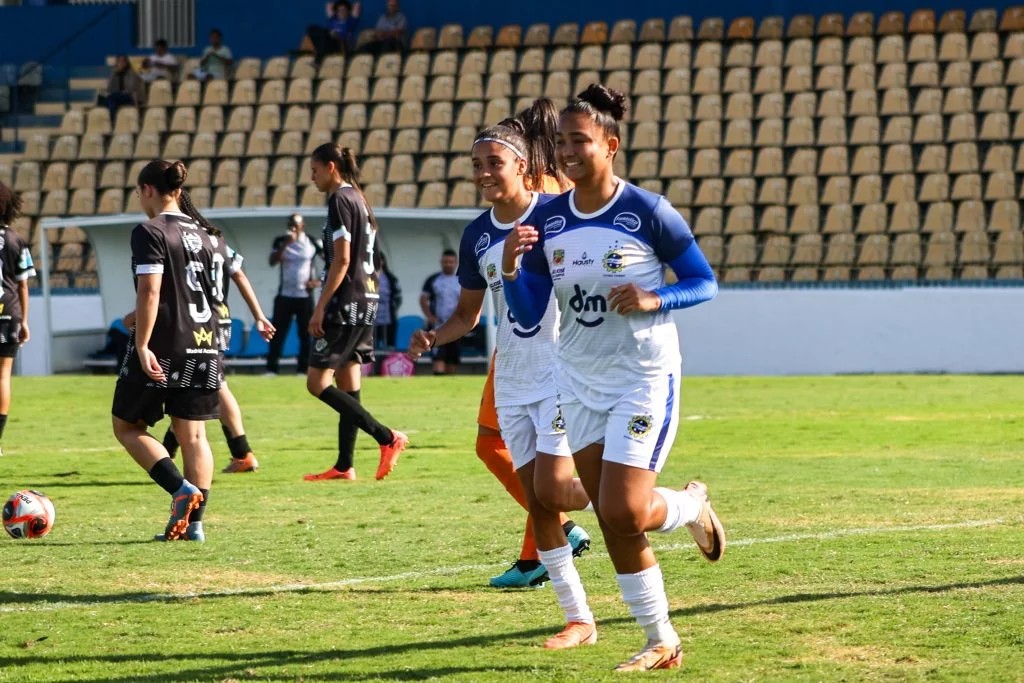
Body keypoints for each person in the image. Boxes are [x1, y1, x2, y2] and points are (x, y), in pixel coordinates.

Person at [501, 84, 726, 671]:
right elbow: (528, 313)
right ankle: (662, 642)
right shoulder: (547, 218)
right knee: (610, 514)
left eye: (580, 140)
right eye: (561, 142)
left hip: (641, 377)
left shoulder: (649, 211)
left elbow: (704, 281)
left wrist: (658, 297)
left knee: (624, 511)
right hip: (577, 380)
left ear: (610, 145)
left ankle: (686, 511)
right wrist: (510, 268)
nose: (568, 151)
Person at [409, 111, 596, 611]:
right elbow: (468, 316)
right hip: (513, 378)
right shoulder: (475, 235)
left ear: (520, 165)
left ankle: (655, 503)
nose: (484, 172)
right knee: (539, 500)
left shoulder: (559, 213)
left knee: (554, 493)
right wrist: (434, 337)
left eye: (494, 162)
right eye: (476, 165)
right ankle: (575, 616)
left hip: (560, 371)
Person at [111, 160, 221, 542]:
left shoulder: (150, 230)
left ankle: (180, 489)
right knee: (194, 436)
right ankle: (195, 526)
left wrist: (141, 342)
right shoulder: (207, 234)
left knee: (126, 426)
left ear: (147, 190)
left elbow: (152, 290)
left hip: (165, 343)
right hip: (206, 343)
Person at [151, 190, 276, 477]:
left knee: (214, 386)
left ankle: (242, 451)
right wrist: (258, 315)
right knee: (197, 384)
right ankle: (169, 450)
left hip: (202, 321)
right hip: (219, 319)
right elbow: (239, 273)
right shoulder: (212, 237)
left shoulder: (189, 238)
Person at [303, 143, 408, 482]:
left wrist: (320, 307)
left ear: (331, 167)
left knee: (317, 383)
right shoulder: (360, 199)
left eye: (315, 170)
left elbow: (342, 259)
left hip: (346, 300)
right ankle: (345, 465)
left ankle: (386, 437)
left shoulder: (340, 200)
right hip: (368, 298)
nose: (312, 177)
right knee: (348, 381)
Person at [0, 182, 35, 458]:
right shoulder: (16, 240)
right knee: (3, 375)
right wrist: (24, 321)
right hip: (8, 312)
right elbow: (23, 285)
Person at [266, 213, 321, 375]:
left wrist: (317, 282)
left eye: (295, 225)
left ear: (302, 225)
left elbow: (331, 264)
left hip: (304, 296)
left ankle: (303, 369)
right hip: (285, 295)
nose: (292, 228)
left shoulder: (312, 242)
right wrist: (287, 244)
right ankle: (272, 368)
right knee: (278, 333)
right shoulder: (281, 241)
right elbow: (272, 261)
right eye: (290, 225)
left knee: (305, 334)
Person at [419, 249, 461, 374]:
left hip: (455, 327)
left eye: (451, 262)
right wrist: (430, 316)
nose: (448, 264)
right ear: (441, 262)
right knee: (438, 358)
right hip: (437, 328)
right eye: (445, 262)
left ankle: (451, 386)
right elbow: (423, 299)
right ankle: (438, 380)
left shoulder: (461, 280)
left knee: (452, 361)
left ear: (456, 263)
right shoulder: (433, 280)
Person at [374, 251, 401, 349]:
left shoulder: (391, 278)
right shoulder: (367, 276)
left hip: (387, 312)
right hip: (372, 311)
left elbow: (397, 296)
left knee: (388, 341)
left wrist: (393, 306)